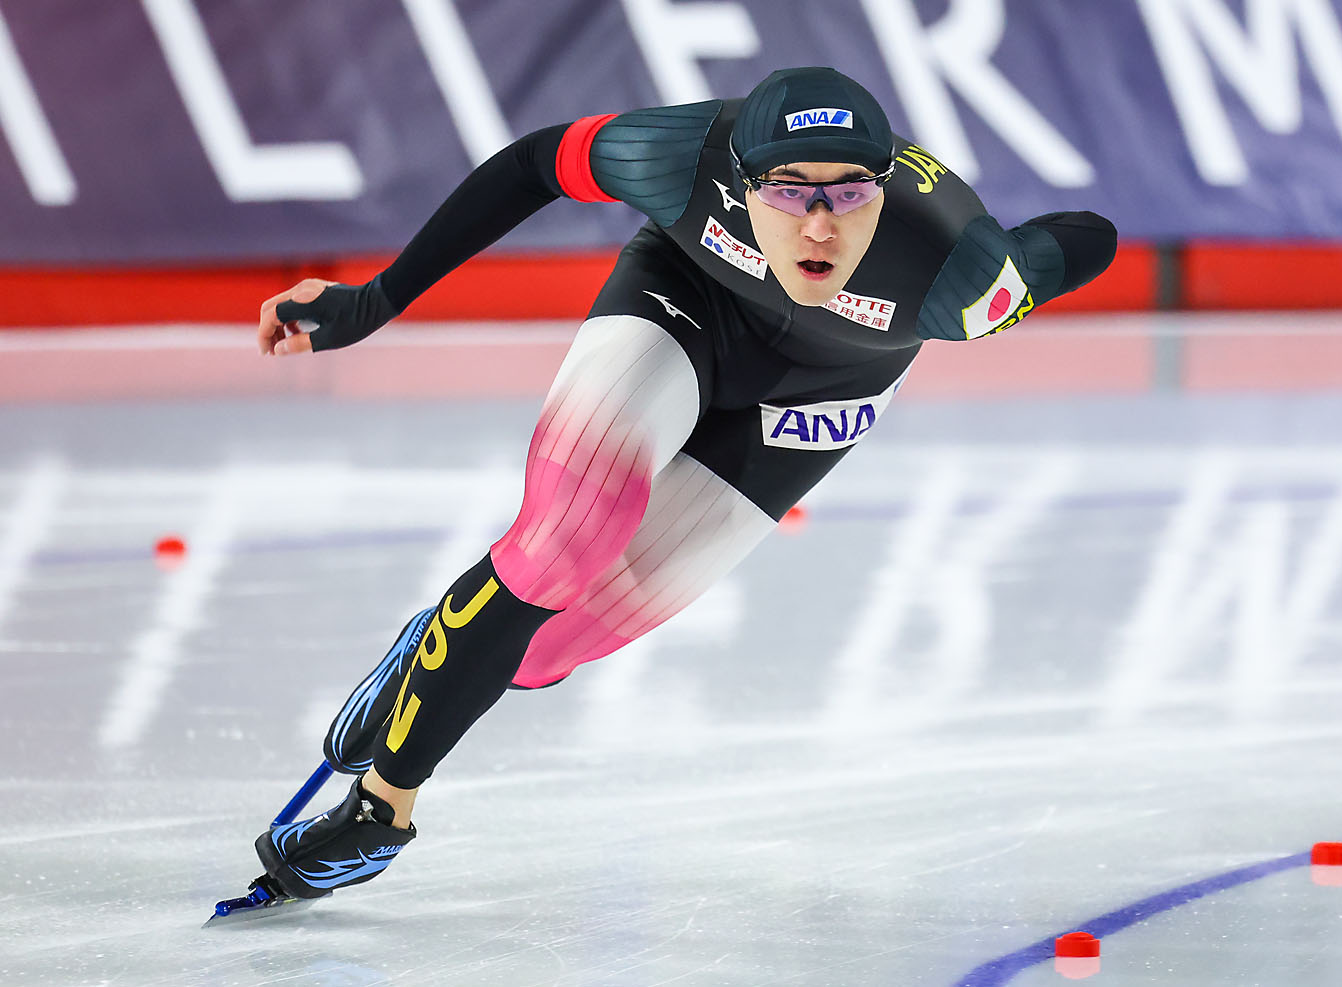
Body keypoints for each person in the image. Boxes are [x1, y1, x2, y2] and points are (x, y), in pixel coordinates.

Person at [247, 66, 1116, 900]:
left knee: (545, 648)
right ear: (740, 181)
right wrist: (375, 300)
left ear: (883, 189)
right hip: (683, 303)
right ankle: (380, 811)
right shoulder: (683, 153)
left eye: (850, 193)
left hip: (821, 394)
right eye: (788, 192)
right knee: (563, 540)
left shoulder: (961, 277)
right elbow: (533, 164)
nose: (819, 228)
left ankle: (434, 653)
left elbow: (1087, 235)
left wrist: (1022, 260)